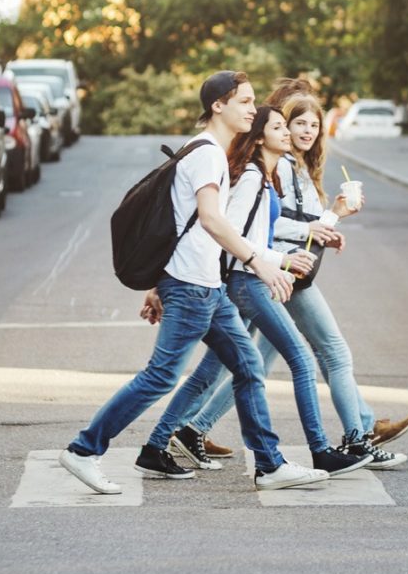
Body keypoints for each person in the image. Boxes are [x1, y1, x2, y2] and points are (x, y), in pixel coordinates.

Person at [58, 71, 330, 493]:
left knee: (247, 366)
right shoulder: (206, 154)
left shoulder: (208, 153)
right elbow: (211, 219)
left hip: (208, 286)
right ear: (218, 106)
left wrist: (156, 284)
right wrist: (261, 260)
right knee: (161, 376)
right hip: (191, 288)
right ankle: (83, 449)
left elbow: (183, 225)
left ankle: (270, 464)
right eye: (245, 101)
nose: (252, 109)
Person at [169, 87, 408, 469]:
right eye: (295, 124)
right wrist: (301, 240)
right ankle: (354, 438)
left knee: (247, 362)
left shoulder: (296, 166)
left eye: (313, 124)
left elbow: (303, 224)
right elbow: (267, 223)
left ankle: (188, 430)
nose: (304, 131)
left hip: (280, 272)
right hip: (275, 272)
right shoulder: (275, 166)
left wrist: (332, 220)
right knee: (326, 351)